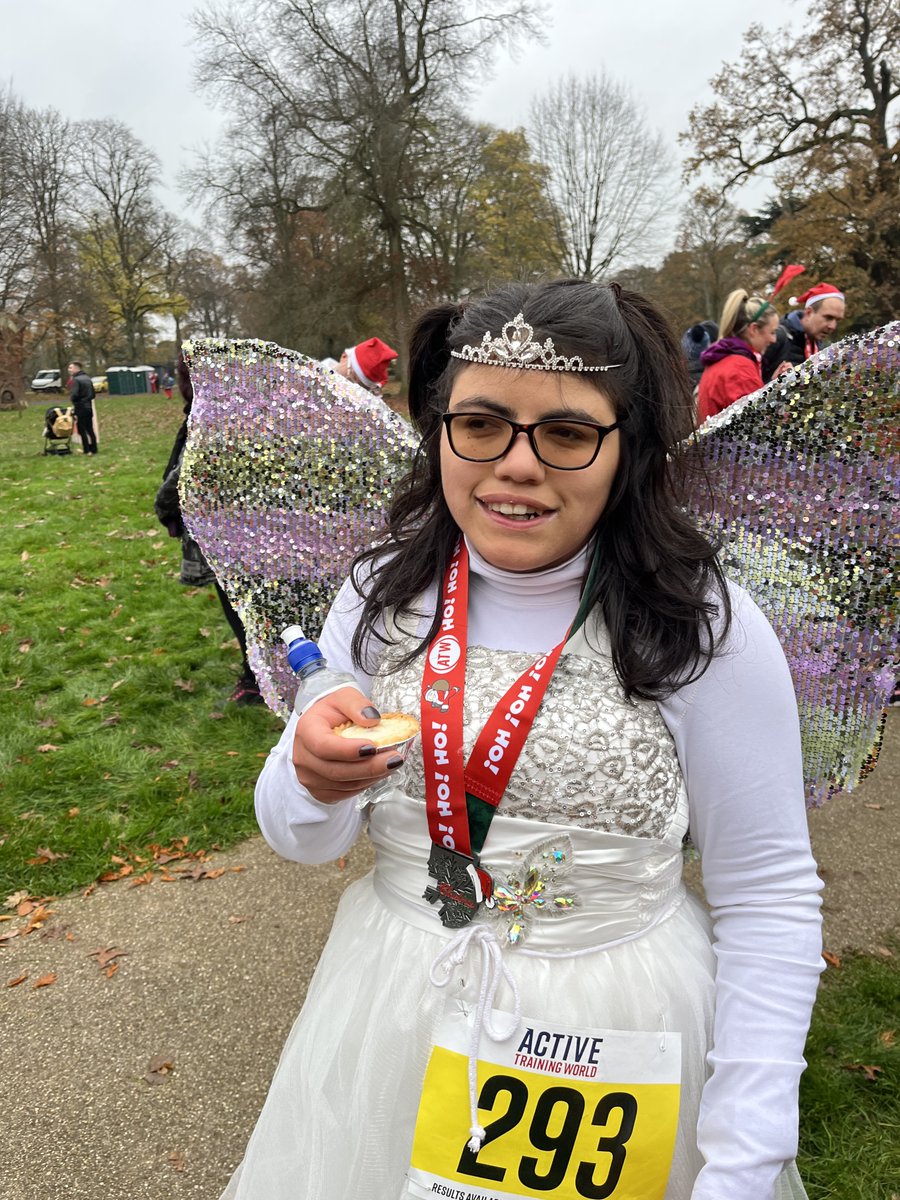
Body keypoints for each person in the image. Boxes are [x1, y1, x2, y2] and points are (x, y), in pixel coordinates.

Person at [223, 280, 823, 1200]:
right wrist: (309, 780)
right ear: (439, 430)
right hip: (395, 1009)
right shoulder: (382, 595)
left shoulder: (703, 626)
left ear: (628, 447)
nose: (516, 465)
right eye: (481, 424)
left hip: (620, 1035)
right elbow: (301, 839)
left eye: (568, 433)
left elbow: (769, 894)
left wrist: (744, 1158)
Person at [154, 353, 265, 706]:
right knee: (250, 604)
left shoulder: (211, 420)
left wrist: (163, 507)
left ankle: (257, 679)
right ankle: (263, 671)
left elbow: (182, 478)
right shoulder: (243, 412)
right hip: (249, 528)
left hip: (225, 534)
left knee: (240, 606)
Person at [697, 290, 784, 422]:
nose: (774, 340)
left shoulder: (724, 359)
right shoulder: (740, 369)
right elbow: (758, 425)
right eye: (772, 332)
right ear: (754, 329)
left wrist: (774, 387)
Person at [762, 282, 846, 382]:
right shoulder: (777, 337)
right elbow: (750, 382)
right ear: (809, 312)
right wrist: (774, 383)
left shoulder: (821, 348)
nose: (832, 326)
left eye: (837, 320)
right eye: (828, 317)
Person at [320, 335, 398, 395]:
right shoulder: (317, 374)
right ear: (344, 356)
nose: (351, 387)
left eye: (361, 388)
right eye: (351, 378)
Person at [66, 361, 98, 454]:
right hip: (88, 406)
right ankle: (94, 448)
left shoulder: (76, 380)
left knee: (81, 429)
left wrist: (74, 400)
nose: (69, 370)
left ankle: (86, 449)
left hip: (80, 407)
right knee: (90, 429)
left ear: (76, 369)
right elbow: (93, 394)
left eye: (71, 368)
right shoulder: (87, 378)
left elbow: (75, 394)